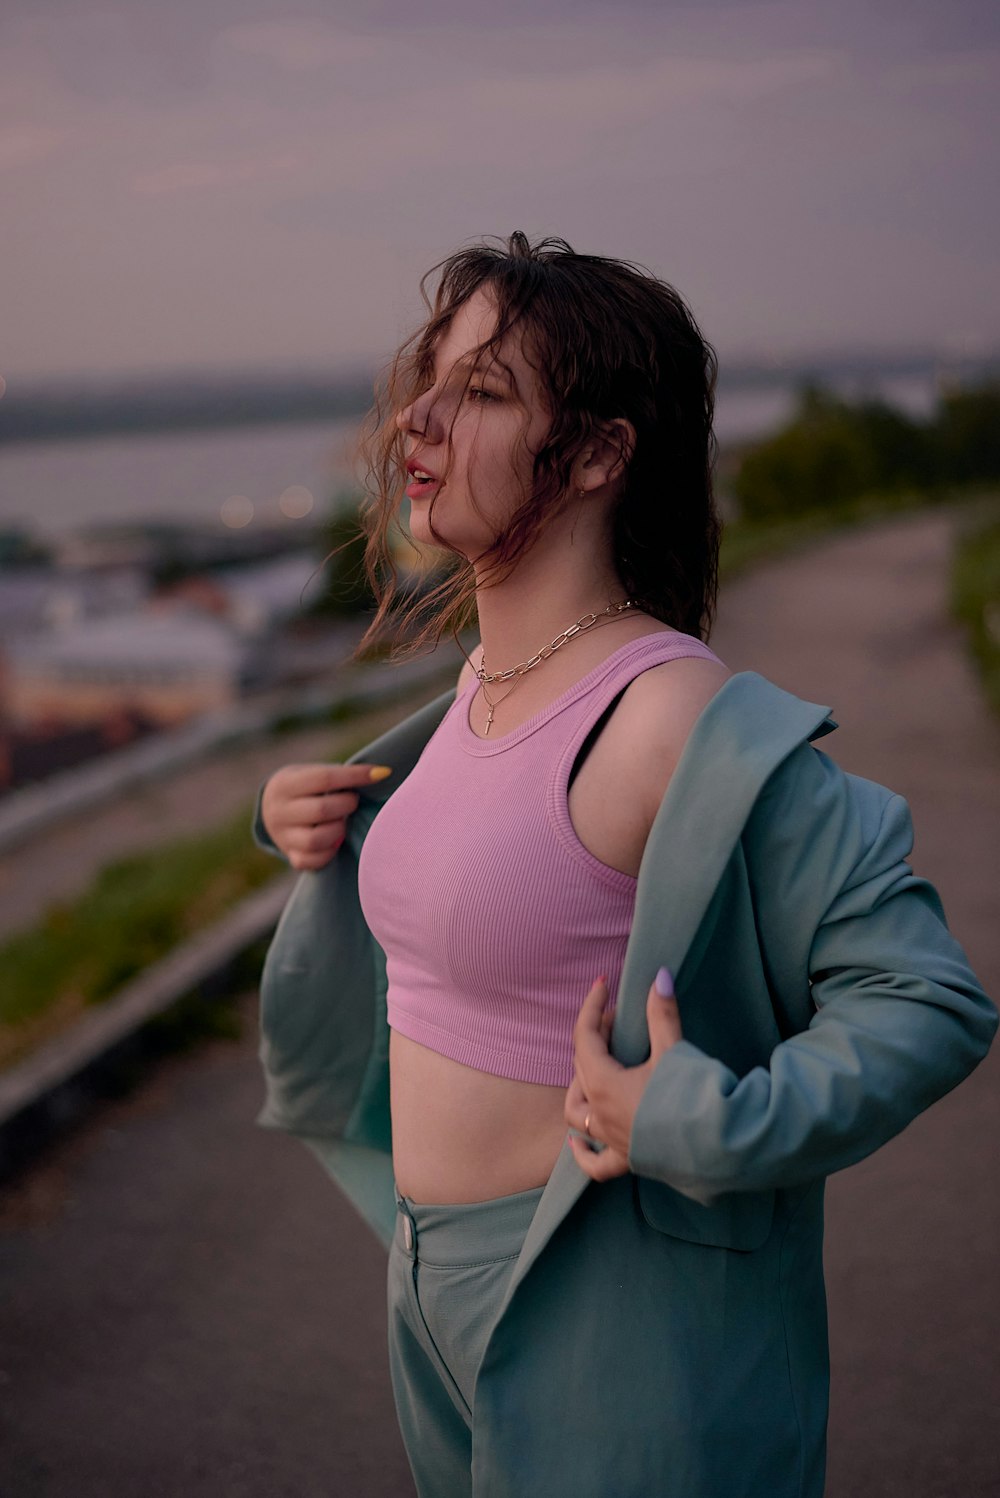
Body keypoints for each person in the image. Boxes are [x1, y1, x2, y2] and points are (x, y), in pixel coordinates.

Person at [253, 233, 996, 1498]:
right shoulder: (483, 686)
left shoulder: (671, 718)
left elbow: (928, 997)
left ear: (598, 452)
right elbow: (496, 898)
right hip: (427, 1279)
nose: (416, 419)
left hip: (610, 1305)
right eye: (428, 377)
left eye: (482, 391)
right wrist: (316, 830)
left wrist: (698, 1120)